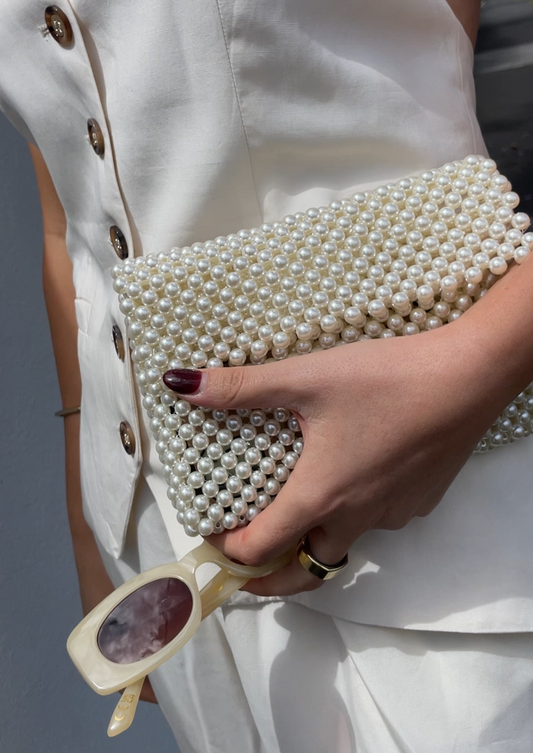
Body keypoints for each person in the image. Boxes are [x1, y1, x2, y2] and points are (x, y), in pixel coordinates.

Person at [2, 0, 533, 750]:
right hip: (163, 552)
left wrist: (472, 363)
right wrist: (92, 513)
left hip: (434, 513)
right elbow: (65, 204)